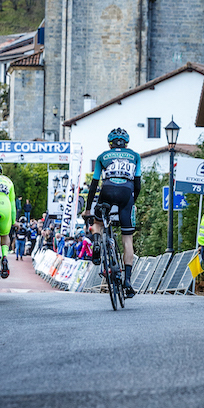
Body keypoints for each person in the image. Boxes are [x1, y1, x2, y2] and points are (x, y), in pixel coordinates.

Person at [83, 127, 141, 298]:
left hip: (107, 190)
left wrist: (88, 209)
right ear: (126, 143)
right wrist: (132, 202)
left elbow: (94, 185)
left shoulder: (102, 156)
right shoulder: (135, 156)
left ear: (110, 144)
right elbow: (137, 184)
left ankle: (96, 243)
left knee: (98, 222)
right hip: (127, 192)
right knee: (127, 239)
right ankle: (127, 281)